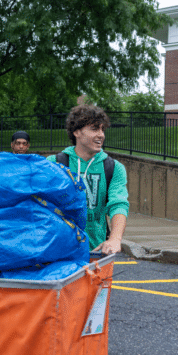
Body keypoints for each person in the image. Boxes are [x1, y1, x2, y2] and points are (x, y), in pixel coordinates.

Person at [47, 105, 129, 255]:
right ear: (76, 132)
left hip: (97, 253)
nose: (101, 135)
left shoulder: (114, 168)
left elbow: (118, 204)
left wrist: (115, 239)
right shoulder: (54, 163)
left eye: (102, 129)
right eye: (94, 129)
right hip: (59, 253)